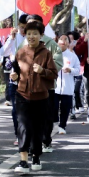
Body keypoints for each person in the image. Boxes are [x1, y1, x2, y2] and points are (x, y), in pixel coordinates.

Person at [11, 20, 58, 174]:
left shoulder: (46, 53)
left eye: (35, 34)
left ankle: (36, 156)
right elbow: (15, 70)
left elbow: (53, 74)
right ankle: (23, 161)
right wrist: (14, 76)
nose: (31, 36)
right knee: (23, 126)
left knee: (38, 128)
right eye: (29, 33)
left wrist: (42, 71)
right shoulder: (21, 52)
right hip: (22, 94)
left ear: (41, 35)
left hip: (41, 96)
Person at [27, 14, 62, 153]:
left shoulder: (52, 44)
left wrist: (43, 71)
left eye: (36, 24)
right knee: (28, 117)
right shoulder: (24, 44)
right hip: (28, 87)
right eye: (30, 25)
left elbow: (58, 63)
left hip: (46, 87)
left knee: (46, 116)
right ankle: (31, 144)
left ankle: (46, 140)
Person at [2, 14, 29, 144]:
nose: (23, 30)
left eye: (26, 27)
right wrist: (11, 39)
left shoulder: (33, 38)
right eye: (21, 27)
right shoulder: (14, 37)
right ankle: (18, 135)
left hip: (30, 80)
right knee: (15, 109)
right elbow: (4, 52)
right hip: (15, 79)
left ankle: (29, 134)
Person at [55, 35, 80, 134]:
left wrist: (70, 70)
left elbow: (78, 70)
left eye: (66, 40)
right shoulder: (53, 54)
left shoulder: (72, 56)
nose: (63, 41)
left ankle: (62, 126)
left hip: (67, 87)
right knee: (53, 107)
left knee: (65, 108)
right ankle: (54, 122)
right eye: (61, 39)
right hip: (55, 87)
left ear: (69, 43)